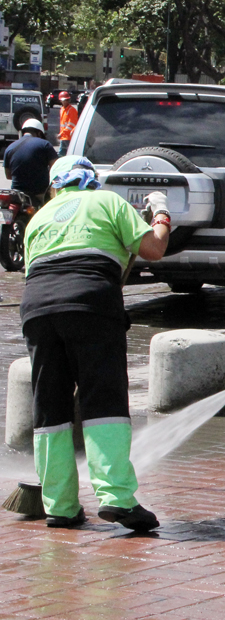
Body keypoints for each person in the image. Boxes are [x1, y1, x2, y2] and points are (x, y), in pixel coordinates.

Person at [21, 157, 172, 530]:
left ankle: (59, 505)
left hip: (37, 310)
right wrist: (162, 215)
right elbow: (153, 250)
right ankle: (116, 498)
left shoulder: (38, 219)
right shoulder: (108, 202)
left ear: (56, 186)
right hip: (90, 302)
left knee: (50, 407)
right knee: (102, 399)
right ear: (91, 180)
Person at [3, 118, 58, 206]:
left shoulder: (10, 148)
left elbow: (8, 176)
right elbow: (56, 169)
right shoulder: (45, 145)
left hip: (17, 195)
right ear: (39, 133)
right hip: (39, 193)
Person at [57, 91, 78, 156]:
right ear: (60, 100)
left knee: (64, 154)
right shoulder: (62, 109)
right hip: (63, 137)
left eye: (66, 100)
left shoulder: (72, 110)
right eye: (63, 100)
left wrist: (62, 133)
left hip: (69, 137)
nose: (65, 101)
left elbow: (71, 124)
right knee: (62, 154)